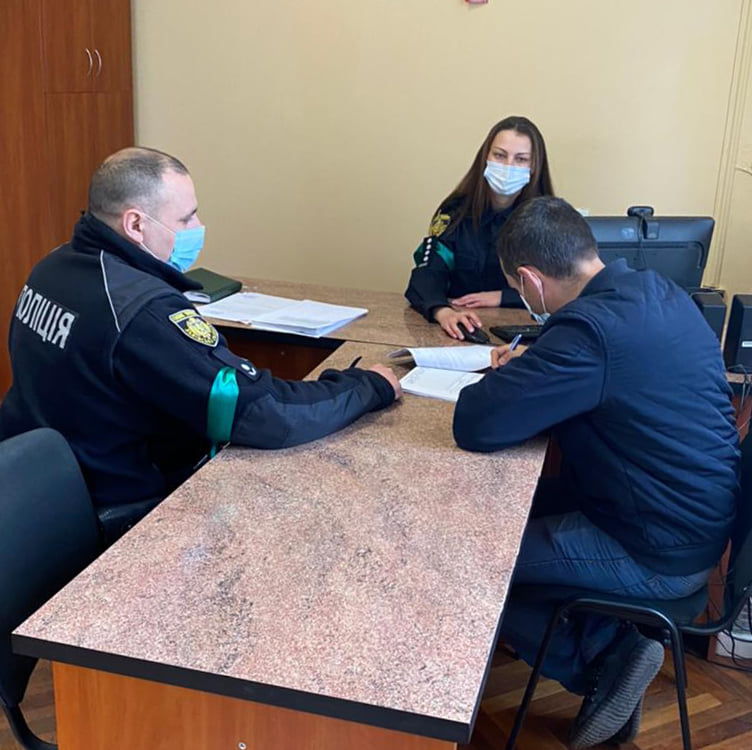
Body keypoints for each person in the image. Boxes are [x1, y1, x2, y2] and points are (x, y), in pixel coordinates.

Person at [453, 197, 740, 748]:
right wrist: (538, 368)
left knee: (467, 562)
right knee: (499, 515)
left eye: (517, 288)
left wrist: (517, 374)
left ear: (530, 281)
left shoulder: (588, 332)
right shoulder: (659, 292)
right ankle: (613, 652)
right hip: (685, 523)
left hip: (653, 550)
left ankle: (605, 662)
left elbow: (477, 424)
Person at [0, 147, 401, 539]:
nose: (198, 226)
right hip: (125, 510)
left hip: (41, 492)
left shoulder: (53, 266)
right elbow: (266, 413)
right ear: (135, 224)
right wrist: (370, 386)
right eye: (186, 217)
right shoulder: (142, 310)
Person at [405, 115, 554, 340]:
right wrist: (441, 311)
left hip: (521, 332)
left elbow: (557, 288)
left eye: (521, 159)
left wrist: (501, 297)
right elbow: (428, 271)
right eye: (500, 155)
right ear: (486, 157)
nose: (508, 166)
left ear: (534, 166)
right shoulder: (455, 211)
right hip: (460, 323)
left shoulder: (546, 219)